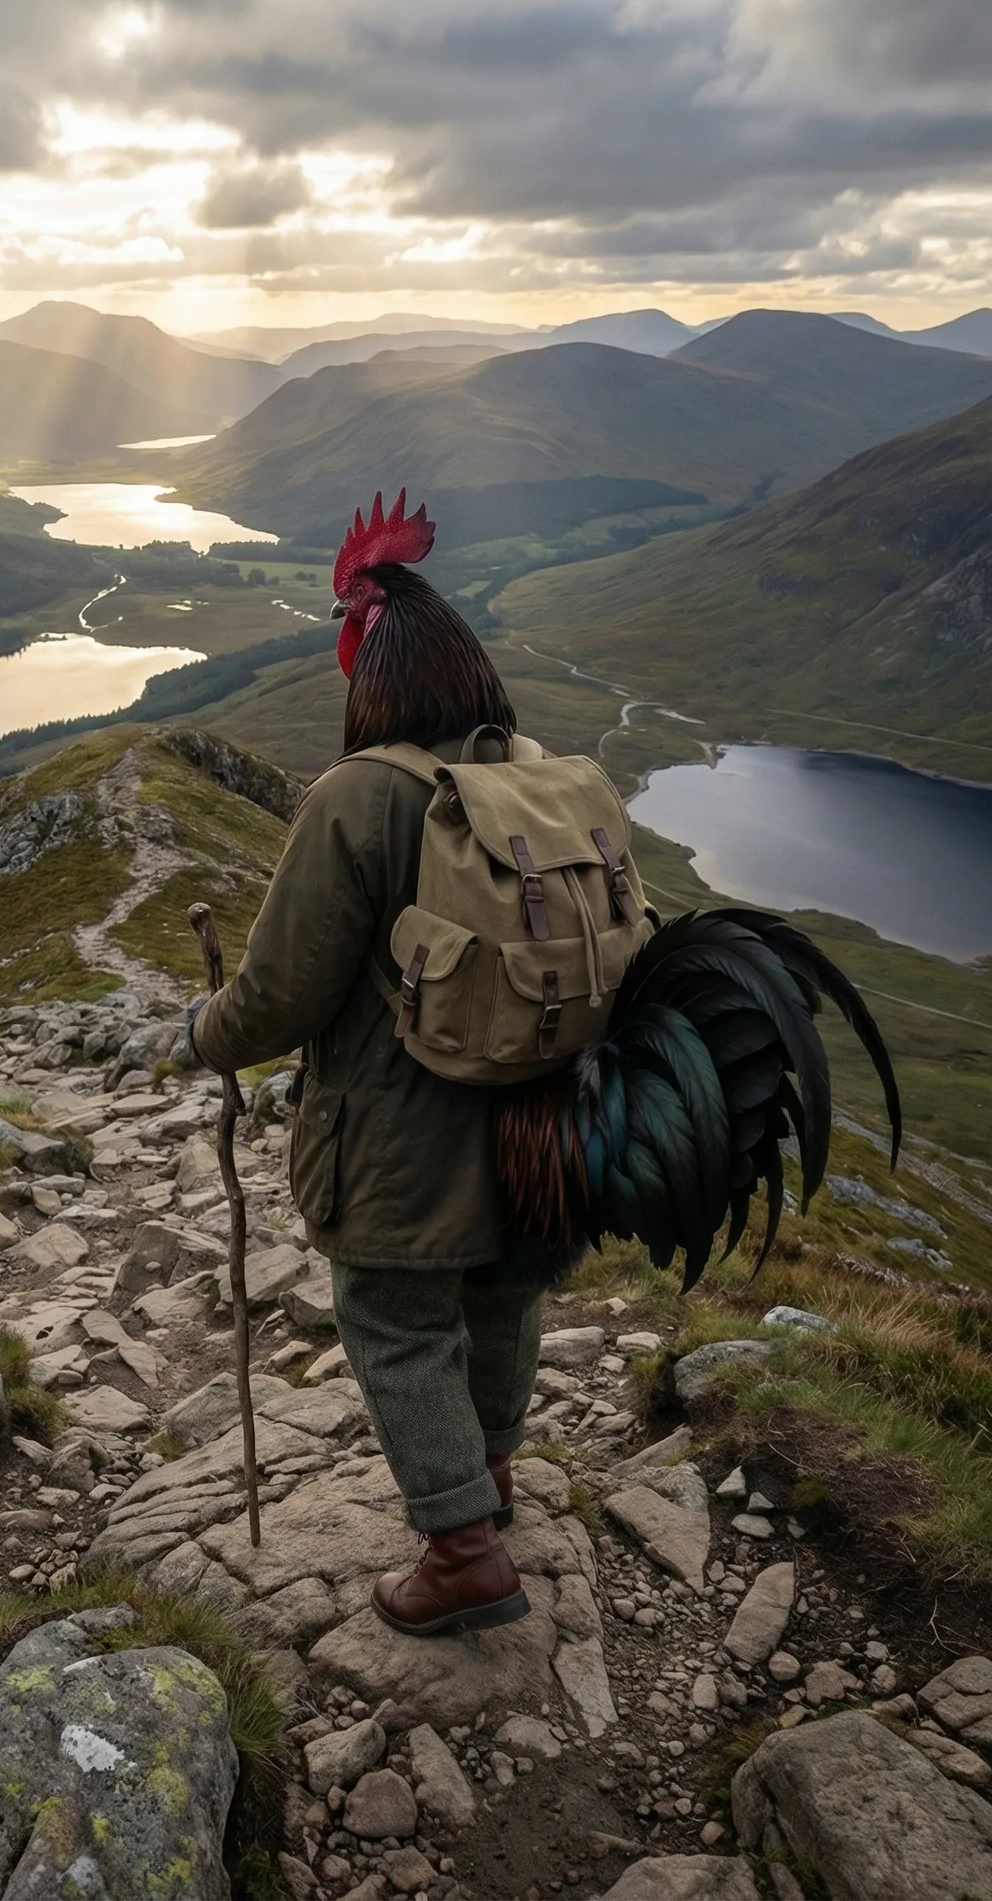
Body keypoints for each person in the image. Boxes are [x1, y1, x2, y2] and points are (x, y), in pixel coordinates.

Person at [189, 489, 554, 1636]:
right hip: (537, 1118)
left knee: (394, 1315)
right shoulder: (528, 772)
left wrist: (203, 1035)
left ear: (372, 649)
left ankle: (459, 1552)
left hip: (402, 1130)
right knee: (500, 1289)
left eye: (353, 610)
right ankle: (489, 1480)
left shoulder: (358, 796)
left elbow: (283, 989)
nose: (340, 627)